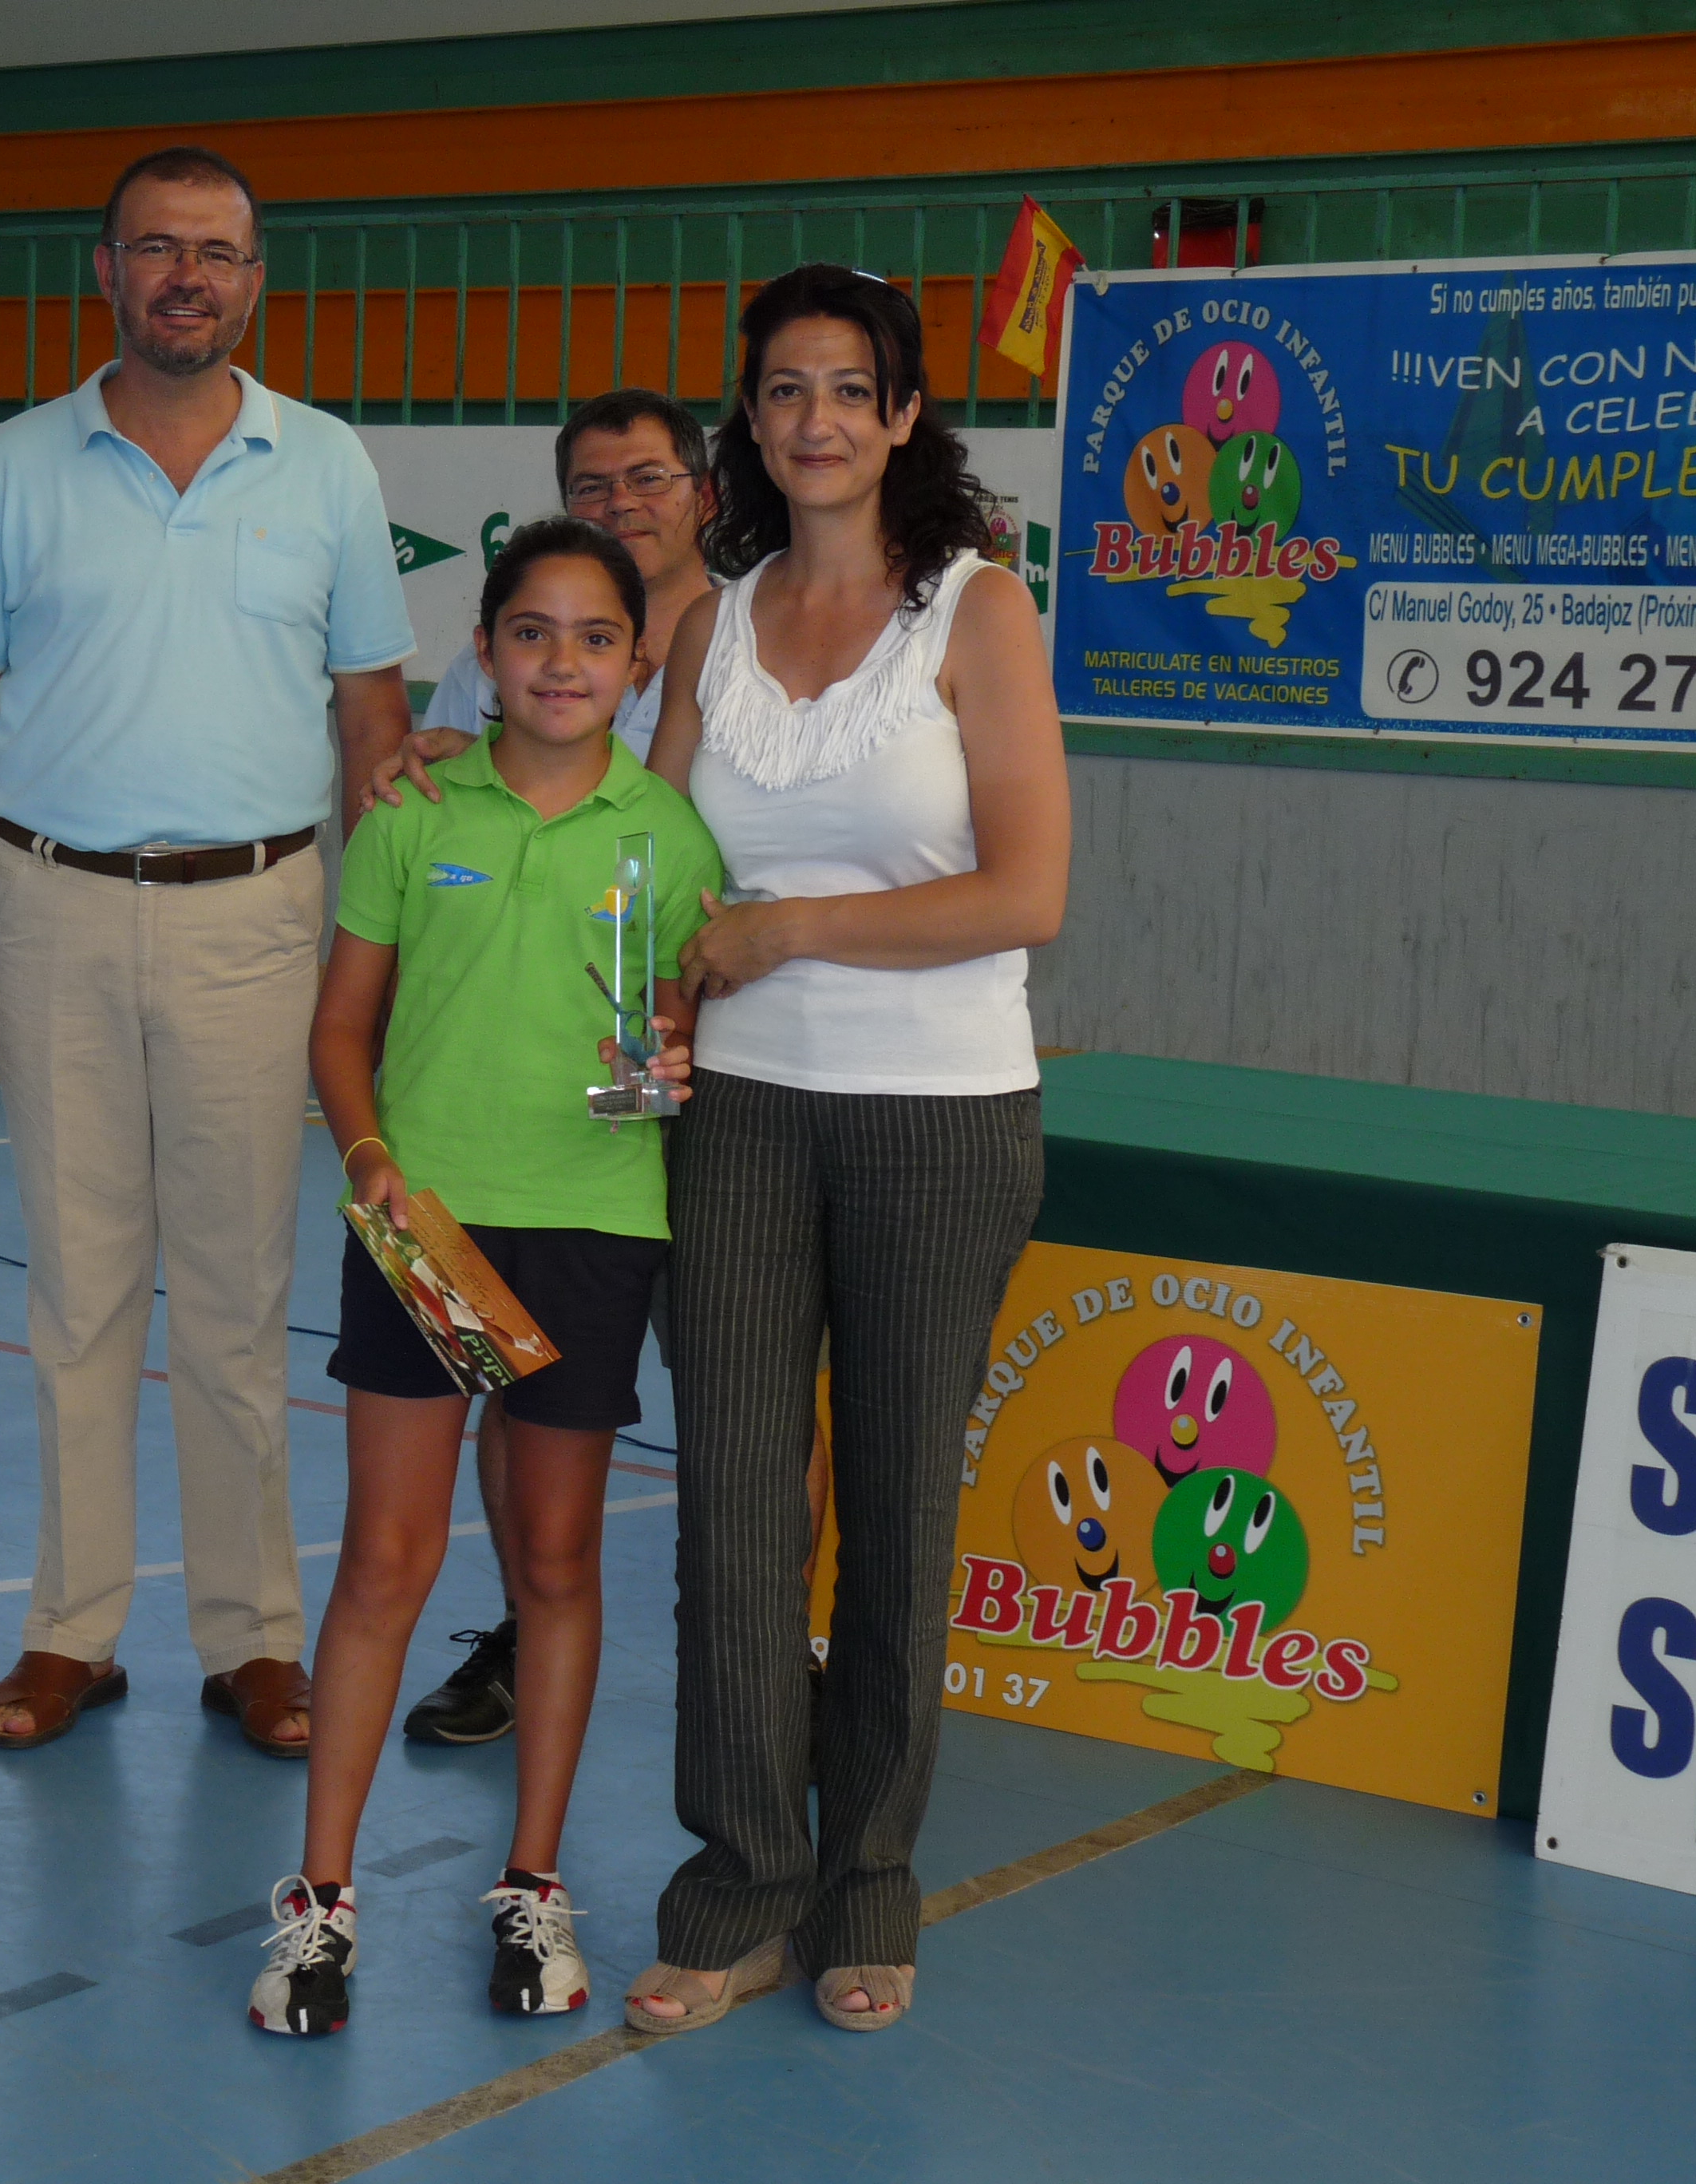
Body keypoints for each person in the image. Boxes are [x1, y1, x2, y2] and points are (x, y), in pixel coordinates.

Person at [0, 145, 417, 1761]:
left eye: (218, 251)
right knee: (82, 1289)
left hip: (259, 920)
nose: (188, 275)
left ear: (257, 281)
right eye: (157, 247)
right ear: (104, 269)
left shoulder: (327, 466)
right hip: (51, 911)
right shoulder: (16, 469)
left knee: (242, 1298)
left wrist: (386, 968)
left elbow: (374, 725)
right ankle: (73, 1632)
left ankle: (254, 1638)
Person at [619, 264, 1069, 2037]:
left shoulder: (980, 609)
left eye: (850, 389)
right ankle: (740, 1885)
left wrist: (789, 928)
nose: (816, 419)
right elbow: (650, 864)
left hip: (941, 1122)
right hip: (734, 1118)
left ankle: (868, 1883)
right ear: (749, 421)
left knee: (893, 1512)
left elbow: (1027, 893)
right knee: (735, 1509)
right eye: (785, 389)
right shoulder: (707, 624)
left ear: (904, 418)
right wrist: (467, 774)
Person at [249, 520, 723, 2036]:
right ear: (486, 649)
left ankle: (534, 1886)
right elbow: (342, 1026)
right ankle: (320, 1907)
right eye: (532, 632)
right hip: (425, 1227)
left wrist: (676, 1056)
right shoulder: (413, 807)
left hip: (590, 1225)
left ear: (637, 662)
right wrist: (371, 1160)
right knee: (386, 1562)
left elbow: (677, 1030)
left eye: (596, 637)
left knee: (557, 1564)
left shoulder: (672, 839)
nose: (562, 662)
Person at [390, 388, 717, 1751]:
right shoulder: (491, 672)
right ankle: (524, 1630)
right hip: (534, 1131)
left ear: (704, 493)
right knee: (516, 1399)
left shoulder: (749, 643)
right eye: (592, 484)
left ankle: (775, 1662)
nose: (621, 503)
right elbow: (428, 801)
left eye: (649, 478)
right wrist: (426, 760)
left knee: (746, 1392)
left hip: (717, 1092)